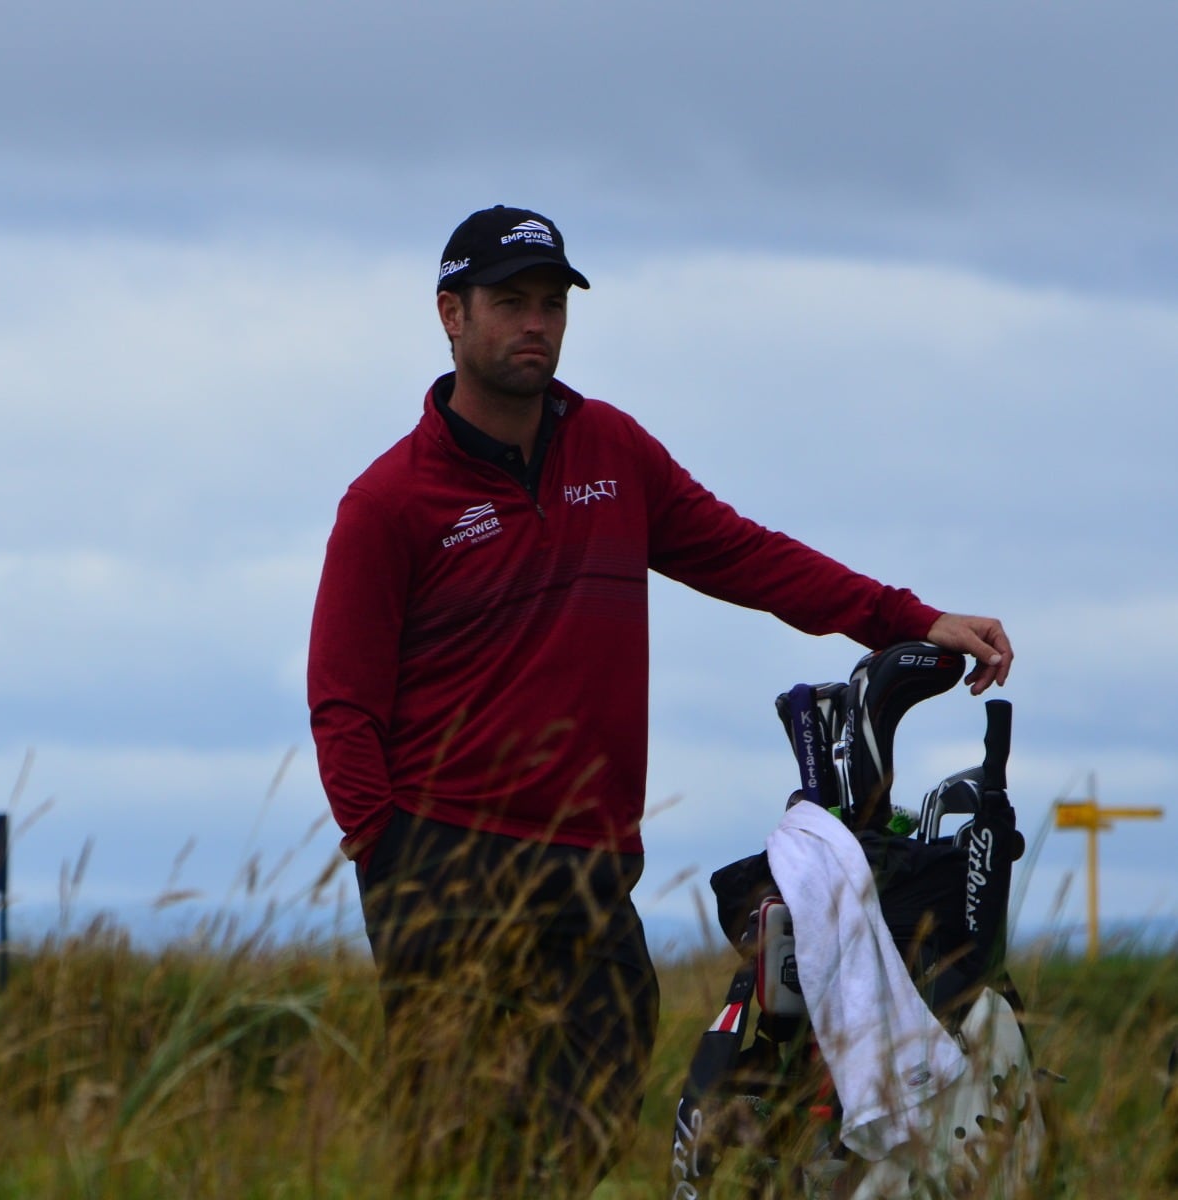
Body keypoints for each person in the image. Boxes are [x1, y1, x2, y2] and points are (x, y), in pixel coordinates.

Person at [305, 204, 1013, 1195]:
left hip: (588, 858)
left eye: (551, 304)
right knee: (459, 1142)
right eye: (509, 303)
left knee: (590, 1112)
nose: (535, 324)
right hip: (444, 862)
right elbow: (341, 703)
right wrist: (383, 852)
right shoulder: (390, 500)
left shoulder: (610, 452)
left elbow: (744, 554)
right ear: (449, 315)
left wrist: (906, 617)